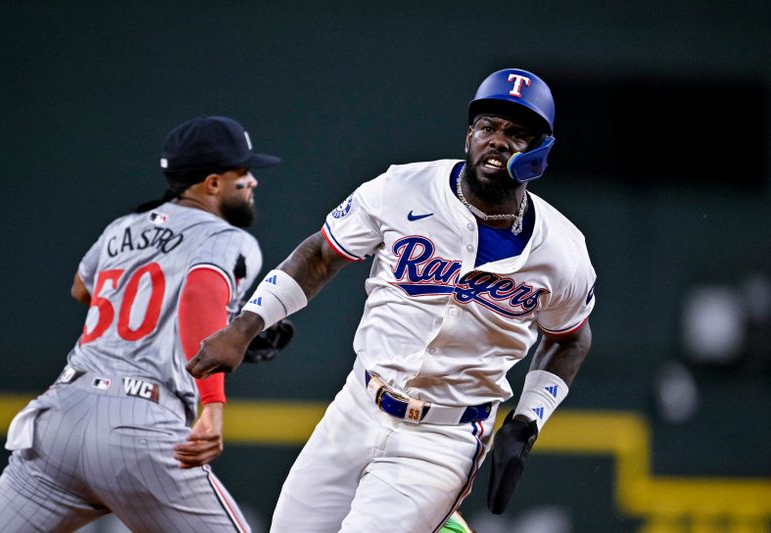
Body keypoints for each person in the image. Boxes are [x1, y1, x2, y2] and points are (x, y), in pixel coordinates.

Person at [188, 68, 596, 532]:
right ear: (469, 135)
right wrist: (245, 327)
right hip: (358, 404)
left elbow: (570, 338)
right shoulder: (402, 187)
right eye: (488, 127)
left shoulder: (562, 250)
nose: (497, 141)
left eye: (517, 133)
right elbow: (322, 255)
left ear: (541, 152)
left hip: (446, 435)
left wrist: (526, 422)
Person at [0, 116, 282, 532]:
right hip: (139, 426)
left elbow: (84, 287)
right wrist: (213, 403)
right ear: (212, 183)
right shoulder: (227, 238)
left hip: (58, 419)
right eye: (242, 173)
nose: (252, 181)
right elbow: (199, 295)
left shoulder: (124, 227)